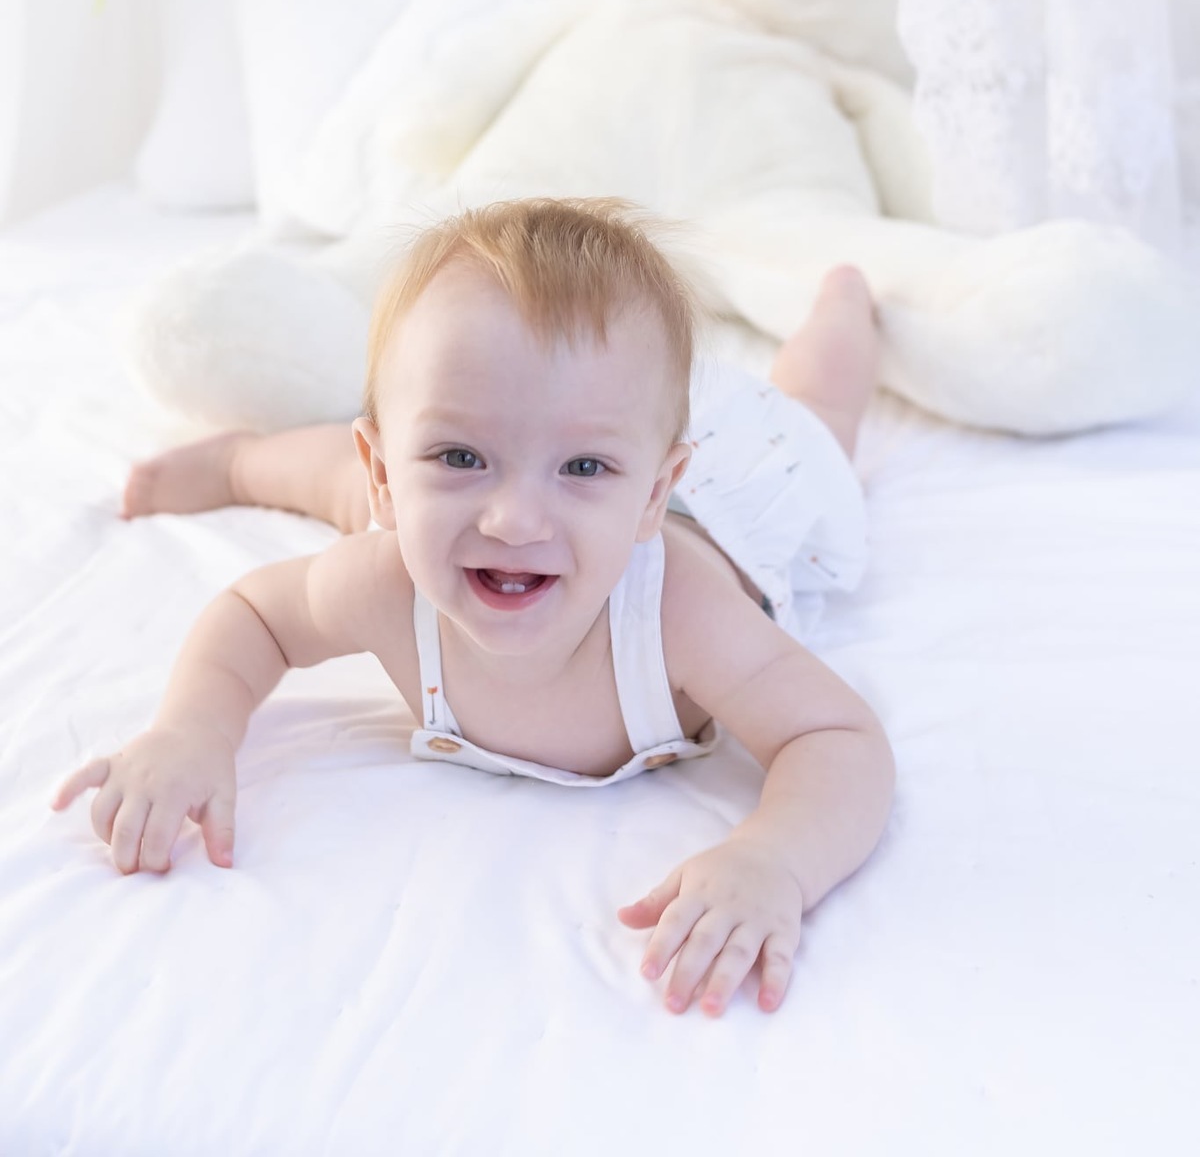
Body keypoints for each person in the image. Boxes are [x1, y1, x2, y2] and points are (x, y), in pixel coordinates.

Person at [53, 197, 894, 1018]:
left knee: (818, 412)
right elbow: (257, 615)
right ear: (389, 463)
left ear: (651, 494)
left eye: (583, 469)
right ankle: (247, 463)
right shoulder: (387, 576)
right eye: (462, 454)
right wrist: (193, 729)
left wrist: (774, 861)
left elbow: (837, 738)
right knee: (363, 502)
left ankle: (844, 303)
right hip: (495, 473)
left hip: (744, 492)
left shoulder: (681, 615)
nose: (515, 519)